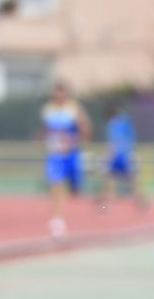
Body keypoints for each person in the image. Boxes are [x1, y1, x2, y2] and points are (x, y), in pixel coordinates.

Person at [41, 81, 92, 238]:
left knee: (74, 189)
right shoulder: (47, 109)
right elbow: (46, 129)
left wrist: (73, 141)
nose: (58, 95)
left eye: (61, 92)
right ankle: (57, 220)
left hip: (71, 155)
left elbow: (86, 130)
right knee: (56, 185)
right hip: (55, 155)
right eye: (56, 92)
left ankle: (90, 211)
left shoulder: (74, 109)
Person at [98, 103, 147, 211]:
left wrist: (110, 154)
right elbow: (130, 138)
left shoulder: (115, 124)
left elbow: (115, 141)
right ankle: (140, 200)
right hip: (124, 154)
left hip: (119, 155)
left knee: (111, 178)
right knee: (128, 178)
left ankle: (106, 204)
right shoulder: (124, 122)